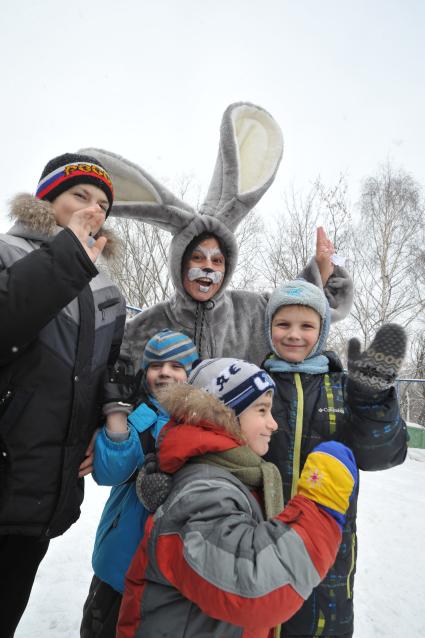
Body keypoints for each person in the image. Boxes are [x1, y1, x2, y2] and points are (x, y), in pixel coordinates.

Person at [81, 102, 353, 366]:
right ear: (180, 264)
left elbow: (301, 310)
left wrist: (322, 269)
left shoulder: (252, 312)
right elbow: (109, 370)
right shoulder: (150, 323)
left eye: (217, 261)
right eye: (197, 258)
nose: (207, 268)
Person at [117, 358, 358, 638]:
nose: (273, 424)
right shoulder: (204, 491)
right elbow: (254, 586)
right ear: (225, 415)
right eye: (262, 410)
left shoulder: (228, 475)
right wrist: (321, 504)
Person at [0, 153, 126, 637]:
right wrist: (69, 255)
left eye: (102, 204)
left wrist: (103, 420)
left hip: (43, 495)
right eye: (80, 196)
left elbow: (106, 371)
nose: (93, 210)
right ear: (46, 198)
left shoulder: (106, 288)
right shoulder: (8, 251)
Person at [262, 280, 408, 638]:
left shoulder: (343, 387)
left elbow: (382, 455)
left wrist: (372, 400)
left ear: (323, 329)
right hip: (259, 536)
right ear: (268, 330)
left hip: (328, 547)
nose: (294, 335)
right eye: (283, 324)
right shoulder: (253, 381)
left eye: (306, 325)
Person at [80, 329, 199, 638]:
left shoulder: (201, 421)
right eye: (157, 366)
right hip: (121, 557)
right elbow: (111, 472)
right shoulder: (142, 414)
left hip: (176, 567)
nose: (165, 373)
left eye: (176, 366)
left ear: (192, 372)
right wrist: (117, 417)